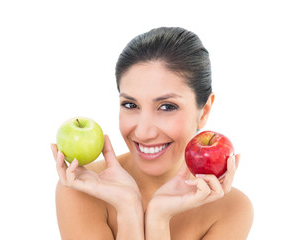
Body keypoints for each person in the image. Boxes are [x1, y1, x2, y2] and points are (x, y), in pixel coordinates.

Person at [51, 27, 254, 239]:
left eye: (167, 107)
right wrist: (128, 207)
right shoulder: (81, 187)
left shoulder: (231, 210)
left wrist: (158, 217)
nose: (144, 132)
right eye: (130, 105)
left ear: (204, 112)